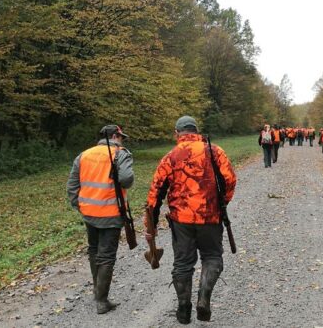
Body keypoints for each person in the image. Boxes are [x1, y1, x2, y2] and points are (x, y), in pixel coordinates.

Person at [146, 116, 237, 324]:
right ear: (197, 131)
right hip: (210, 216)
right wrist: (221, 203)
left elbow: (156, 191)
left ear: (177, 133)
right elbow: (230, 180)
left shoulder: (171, 156)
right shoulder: (215, 151)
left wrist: (150, 222)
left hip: (181, 220)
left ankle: (183, 308)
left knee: (182, 263)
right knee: (212, 256)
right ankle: (203, 299)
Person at [66, 125, 134, 314]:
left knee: (93, 250)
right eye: (121, 137)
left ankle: (98, 292)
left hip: (89, 213)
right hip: (111, 213)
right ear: (114, 136)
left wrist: (80, 206)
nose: (122, 141)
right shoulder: (121, 154)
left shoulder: (84, 155)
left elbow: (72, 186)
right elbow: (127, 179)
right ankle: (102, 301)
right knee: (106, 256)